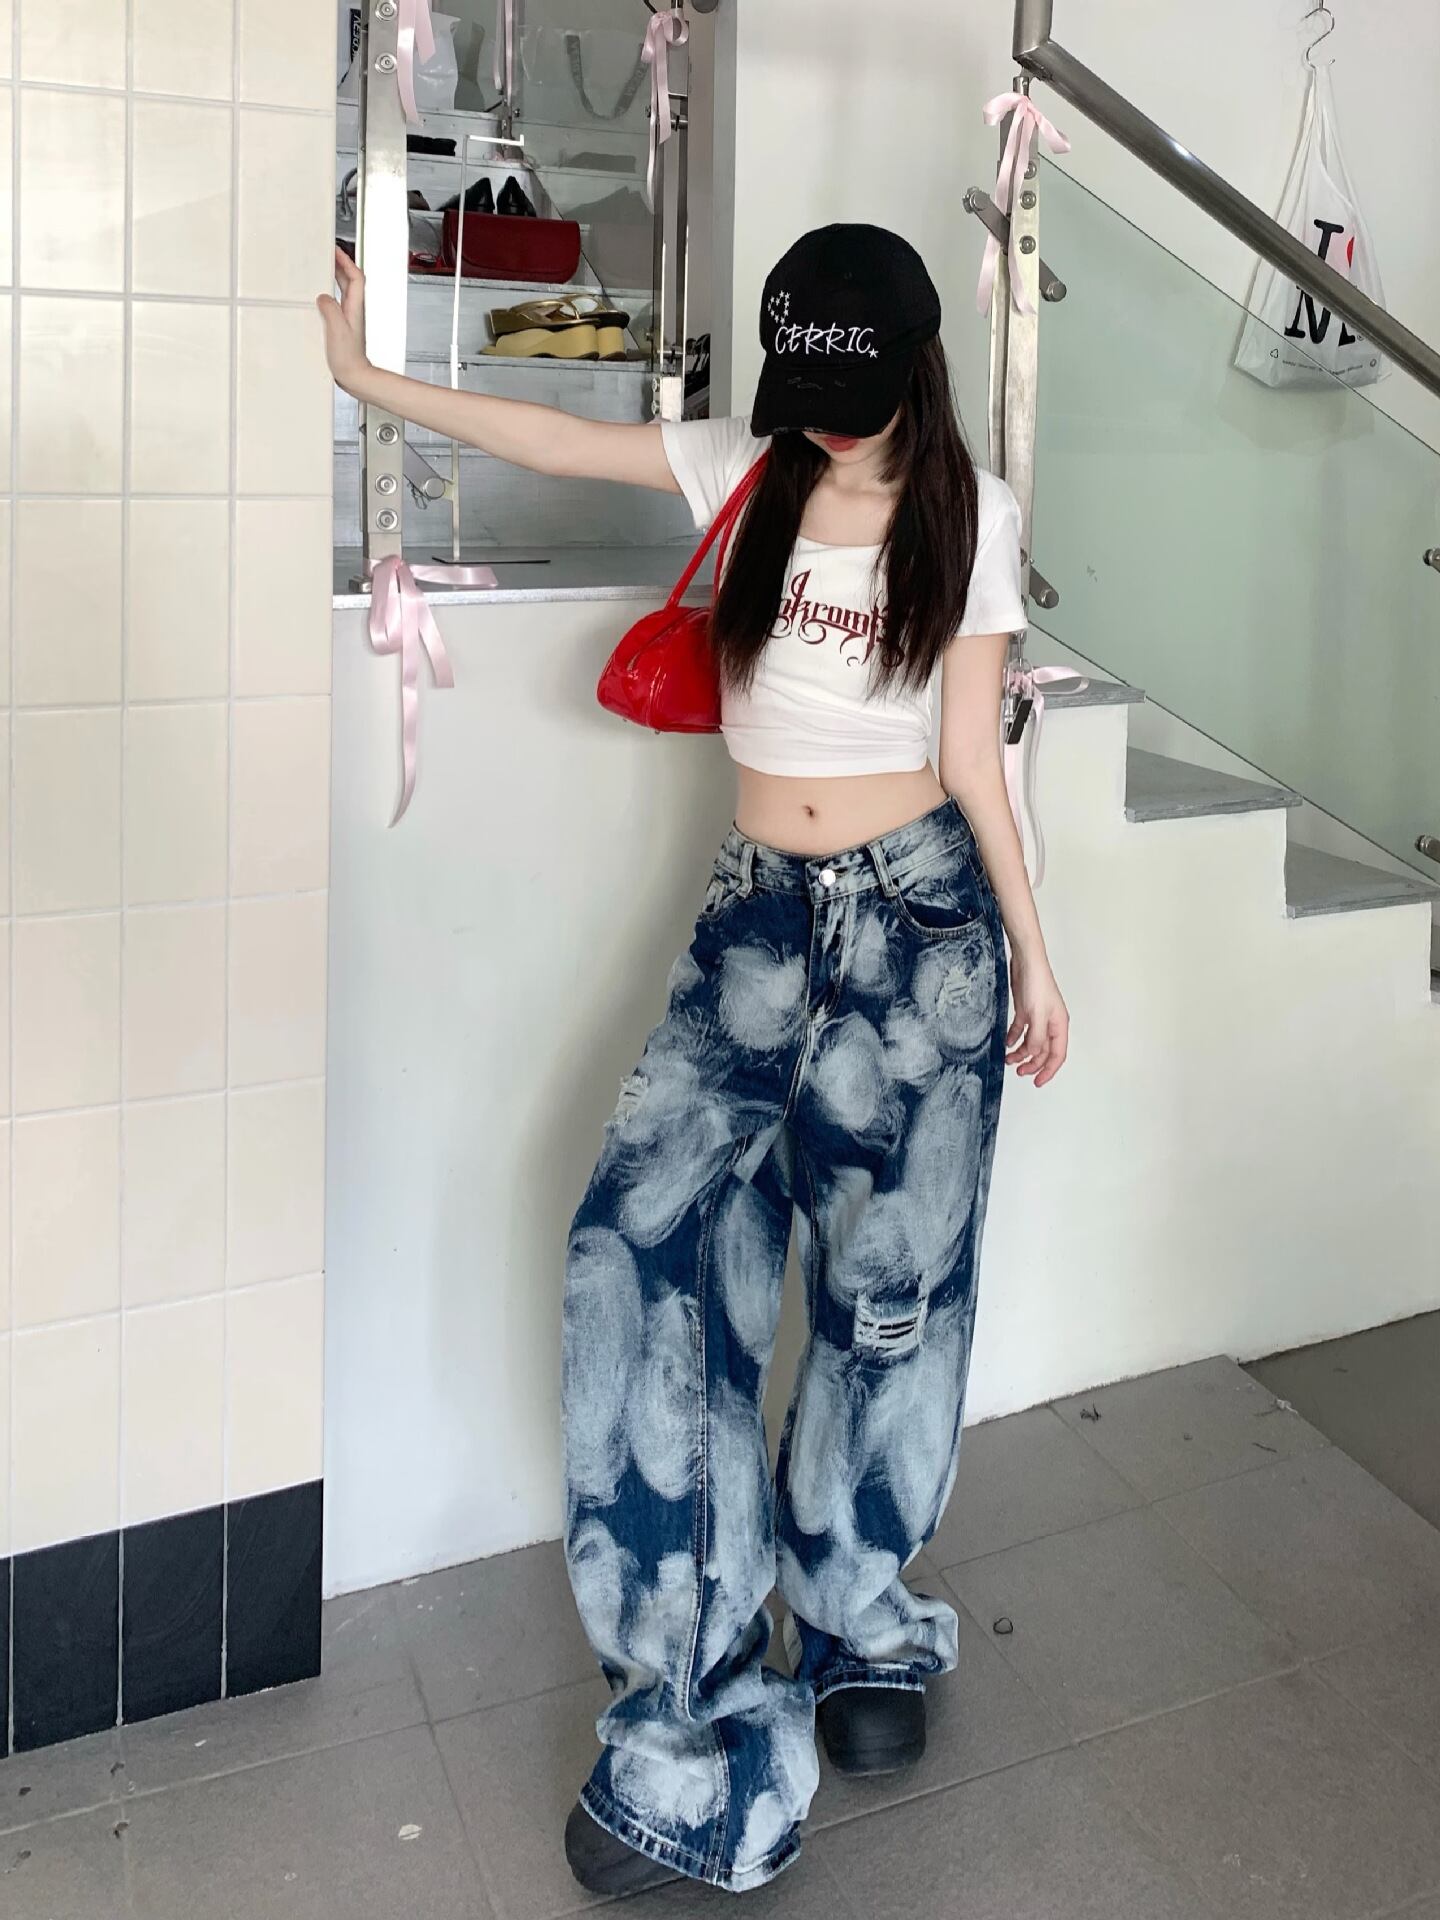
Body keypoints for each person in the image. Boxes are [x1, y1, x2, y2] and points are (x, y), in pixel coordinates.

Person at [318, 222, 1069, 1898]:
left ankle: (862, 1614)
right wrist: (371, 379)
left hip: (920, 934)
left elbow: (972, 751)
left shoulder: (977, 516)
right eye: (808, 401)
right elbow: (556, 438)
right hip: (753, 924)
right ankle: (695, 1732)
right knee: (636, 1253)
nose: (826, 430)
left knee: (889, 1294)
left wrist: (1033, 949)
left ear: (917, 371)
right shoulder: (752, 468)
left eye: (852, 403)